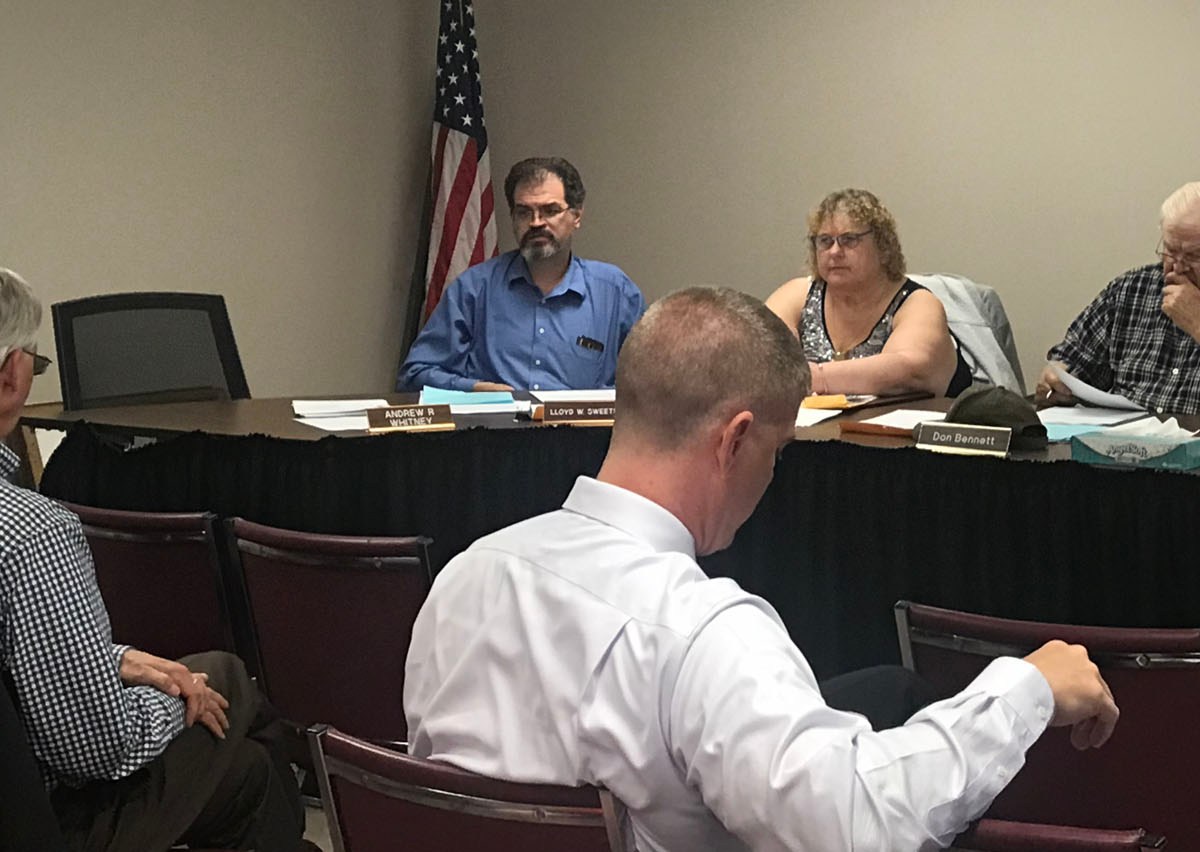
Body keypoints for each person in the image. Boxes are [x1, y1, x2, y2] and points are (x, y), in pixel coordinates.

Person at [405, 287, 1119, 852]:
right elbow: (855, 826)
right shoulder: (702, 632)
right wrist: (1023, 691)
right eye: (777, 452)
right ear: (735, 441)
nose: (772, 475)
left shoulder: (465, 575)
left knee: (885, 692)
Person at [0, 268, 307, 852]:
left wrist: (110, 661)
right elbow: (95, 747)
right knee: (228, 682)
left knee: (246, 774)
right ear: (12, 375)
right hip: (43, 822)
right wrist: (177, 699)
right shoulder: (32, 533)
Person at [397, 157, 646, 393]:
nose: (536, 223)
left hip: (584, 426)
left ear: (576, 216)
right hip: (494, 423)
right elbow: (415, 376)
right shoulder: (475, 289)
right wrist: (473, 390)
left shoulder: (615, 293)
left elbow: (649, 386)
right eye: (524, 212)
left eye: (550, 210)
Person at [766, 188, 972, 397]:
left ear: (883, 247)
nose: (834, 252)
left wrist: (811, 378)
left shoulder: (918, 303)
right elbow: (759, 355)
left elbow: (908, 371)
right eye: (825, 241)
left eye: (849, 239)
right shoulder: (796, 295)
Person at [1038, 181, 1200, 414]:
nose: (1178, 267)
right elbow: (1071, 360)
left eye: (1195, 255)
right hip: (1125, 433)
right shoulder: (1130, 289)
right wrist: (1056, 378)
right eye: (1171, 251)